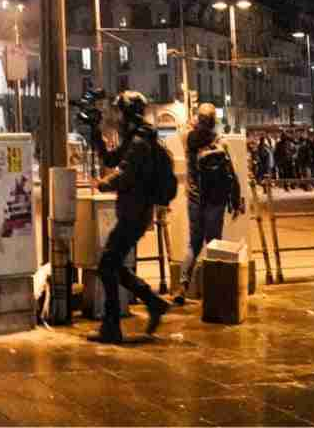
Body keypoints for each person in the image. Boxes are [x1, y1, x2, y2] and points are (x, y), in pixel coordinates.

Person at [90, 91, 171, 343]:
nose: (118, 118)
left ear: (129, 113)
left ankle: (112, 327)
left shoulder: (139, 142)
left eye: (120, 112)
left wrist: (102, 184)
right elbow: (113, 159)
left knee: (106, 265)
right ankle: (152, 302)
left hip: (135, 214)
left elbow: (123, 174)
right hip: (133, 212)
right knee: (112, 265)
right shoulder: (136, 137)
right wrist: (94, 131)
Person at [174, 103, 242, 305]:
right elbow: (232, 173)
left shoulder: (187, 139)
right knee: (214, 245)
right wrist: (236, 200)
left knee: (193, 244)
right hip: (216, 200)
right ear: (213, 122)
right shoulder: (220, 142)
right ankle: (214, 291)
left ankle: (182, 286)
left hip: (195, 198)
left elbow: (183, 127)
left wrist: (192, 122)